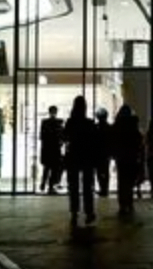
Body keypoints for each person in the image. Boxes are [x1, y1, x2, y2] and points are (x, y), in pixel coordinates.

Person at [63, 96, 99, 224]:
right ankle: (89, 212)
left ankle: (74, 212)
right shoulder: (89, 123)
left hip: (73, 155)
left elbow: (64, 137)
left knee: (73, 186)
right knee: (87, 186)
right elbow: (95, 141)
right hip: (87, 156)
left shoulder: (70, 122)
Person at [112, 105, 144, 213]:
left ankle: (122, 204)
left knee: (121, 181)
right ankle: (129, 202)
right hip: (132, 156)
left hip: (121, 157)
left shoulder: (117, 125)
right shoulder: (133, 125)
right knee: (129, 181)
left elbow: (113, 140)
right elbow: (139, 140)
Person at [39, 105, 64, 193]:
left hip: (47, 148)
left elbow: (42, 136)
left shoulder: (45, 122)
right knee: (53, 169)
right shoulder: (59, 122)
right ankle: (50, 185)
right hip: (55, 148)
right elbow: (61, 136)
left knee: (47, 168)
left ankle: (43, 184)